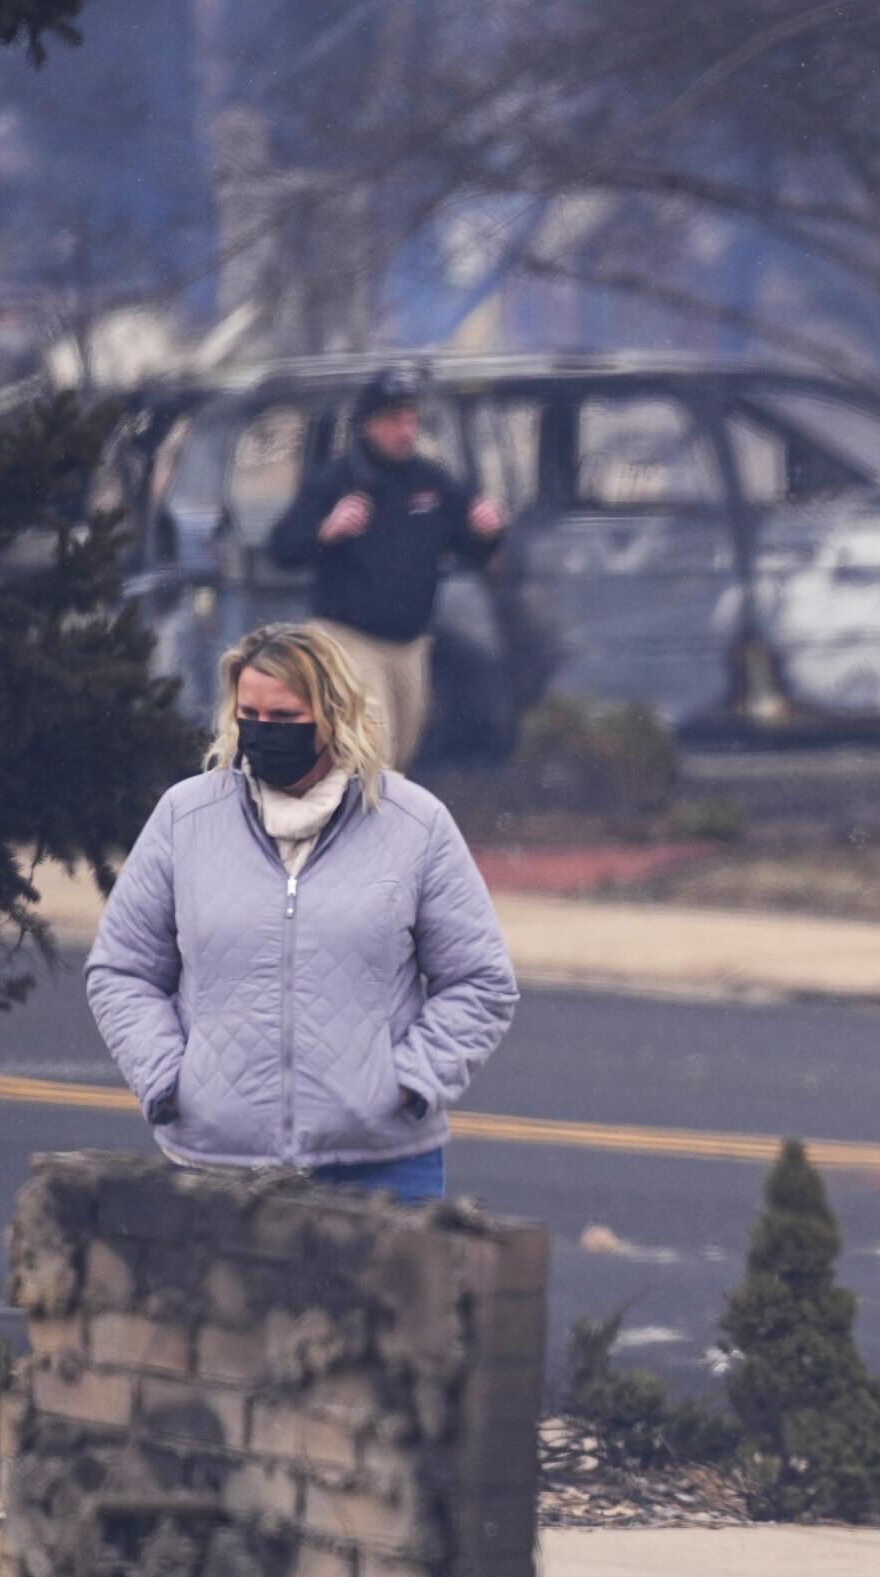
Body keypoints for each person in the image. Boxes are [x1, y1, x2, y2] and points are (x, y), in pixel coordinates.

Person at [87, 623, 518, 1199]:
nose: (264, 734)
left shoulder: (416, 824)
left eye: (286, 719)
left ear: (335, 714)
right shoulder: (183, 819)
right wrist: (167, 1080)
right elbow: (122, 970)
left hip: (382, 1166)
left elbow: (480, 980)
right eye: (250, 716)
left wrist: (412, 1083)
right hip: (218, 1164)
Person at [266, 367, 504, 768]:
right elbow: (282, 548)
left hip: (410, 643)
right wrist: (325, 532)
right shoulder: (336, 480)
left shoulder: (431, 482)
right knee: (372, 746)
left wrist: (488, 532)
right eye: (395, 420)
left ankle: (369, 826)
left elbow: (471, 552)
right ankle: (358, 825)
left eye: (412, 419)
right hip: (348, 637)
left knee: (401, 756)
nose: (406, 431)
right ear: (368, 424)